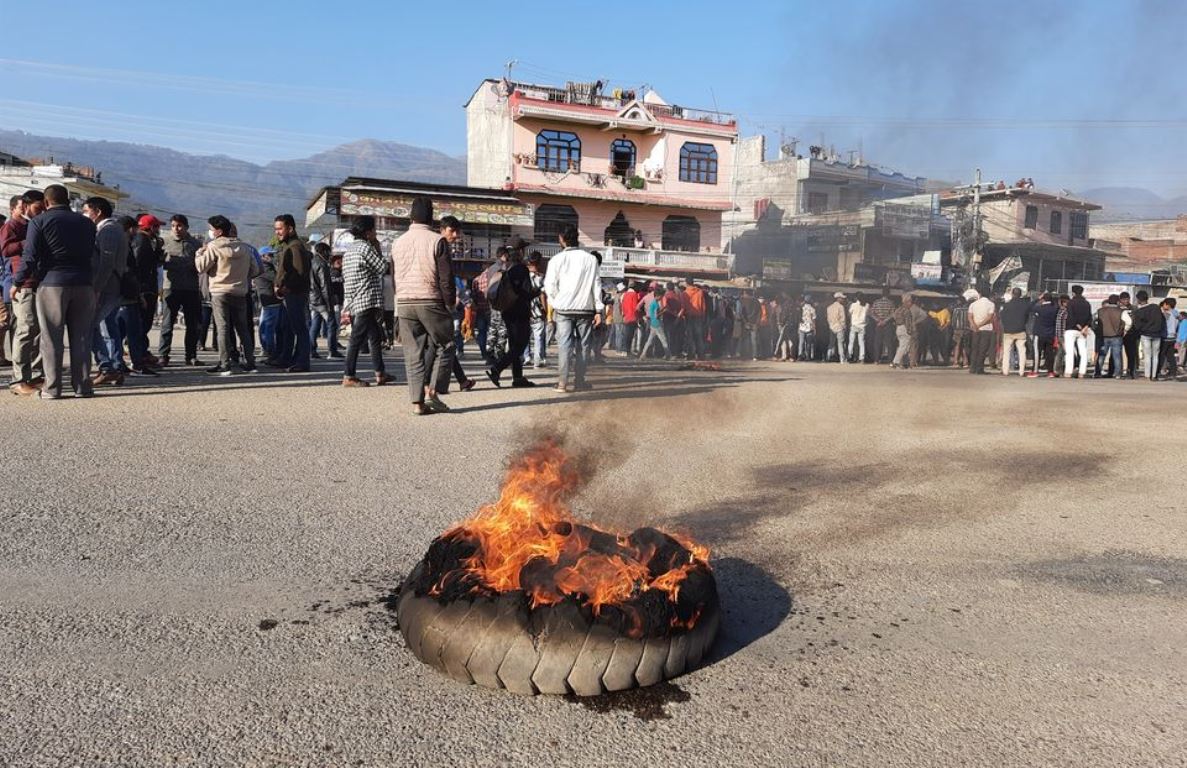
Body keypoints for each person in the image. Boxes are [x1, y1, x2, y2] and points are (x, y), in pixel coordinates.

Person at [13, 184, 97, 399]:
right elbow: (93, 254)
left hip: (53, 282)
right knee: (81, 338)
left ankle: (52, 388)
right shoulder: (87, 222)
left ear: (47, 202)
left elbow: (29, 256)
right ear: (68, 200)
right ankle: (83, 387)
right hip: (84, 283)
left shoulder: (40, 222)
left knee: (51, 338)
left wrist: (18, 281)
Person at [392, 197, 457, 414]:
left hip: (404, 301)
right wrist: (449, 304)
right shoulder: (437, 241)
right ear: (431, 217)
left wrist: (398, 302)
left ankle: (417, 403)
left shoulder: (397, 242)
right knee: (445, 344)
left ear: (410, 217)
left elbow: (393, 277)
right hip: (430, 299)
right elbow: (446, 278)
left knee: (413, 353)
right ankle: (433, 393)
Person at [194, 215, 260, 375]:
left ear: (218, 231)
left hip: (220, 292)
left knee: (223, 328)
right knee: (243, 328)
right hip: (240, 292)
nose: (209, 232)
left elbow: (201, 267)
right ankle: (250, 363)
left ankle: (224, 363)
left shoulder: (214, 246)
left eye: (210, 229)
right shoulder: (244, 247)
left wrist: (198, 254)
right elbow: (256, 270)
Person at [543, 225, 603, 392]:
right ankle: (579, 381)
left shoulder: (556, 260)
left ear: (561, 239)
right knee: (583, 346)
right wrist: (599, 310)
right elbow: (596, 285)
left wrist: (556, 302)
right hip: (585, 310)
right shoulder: (591, 259)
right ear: (577, 238)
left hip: (563, 310)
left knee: (564, 346)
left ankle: (562, 383)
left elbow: (549, 286)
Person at [2, 190, 47, 395]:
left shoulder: (34, 225)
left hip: (39, 282)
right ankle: (18, 379)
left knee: (37, 331)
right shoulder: (11, 226)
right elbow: (5, 250)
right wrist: (27, 242)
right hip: (23, 283)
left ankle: (34, 374)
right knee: (25, 329)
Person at [338, 216, 391, 388]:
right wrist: (377, 248)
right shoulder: (366, 248)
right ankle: (349, 375)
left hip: (356, 298)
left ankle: (380, 373)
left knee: (374, 336)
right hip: (365, 299)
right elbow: (382, 267)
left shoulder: (350, 250)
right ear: (368, 233)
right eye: (374, 230)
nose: (376, 233)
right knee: (356, 339)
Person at [82, 197, 128, 386]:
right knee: (95, 326)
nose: (84, 214)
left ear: (98, 211)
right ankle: (110, 367)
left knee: (88, 326)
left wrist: (96, 288)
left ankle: (107, 367)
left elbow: (106, 264)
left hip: (107, 287)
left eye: (86, 210)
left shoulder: (108, 230)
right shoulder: (110, 229)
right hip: (109, 287)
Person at [486, 245, 541, 388]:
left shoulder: (503, 267)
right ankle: (496, 369)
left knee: (514, 343)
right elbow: (525, 293)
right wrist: (538, 291)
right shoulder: (521, 269)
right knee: (520, 345)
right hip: (519, 312)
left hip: (506, 310)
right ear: (520, 252)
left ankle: (517, 378)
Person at [158, 214, 203, 366]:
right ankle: (163, 355)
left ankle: (191, 355)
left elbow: (201, 265)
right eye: (173, 226)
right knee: (167, 324)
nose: (176, 229)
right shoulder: (164, 242)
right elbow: (159, 261)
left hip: (191, 288)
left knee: (192, 324)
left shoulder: (196, 243)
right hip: (170, 288)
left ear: (186, 227)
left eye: (179, 226)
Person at [272, 214, 312, 372]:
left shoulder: (295, 246)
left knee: (299, 328)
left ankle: (302, 362)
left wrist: (285, 287)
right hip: (289, 293)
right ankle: (286, 358)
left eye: (280, 228)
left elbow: (299, 272)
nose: (277, 232)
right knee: (286, 327)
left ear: (290, 228)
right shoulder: (288, 245)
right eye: (275, 229)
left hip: (295, 293)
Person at [132, 214, 164, 364]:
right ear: (151, 227)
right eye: (157, 227)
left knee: (144, 324)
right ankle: (140, 355)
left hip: (148, 287)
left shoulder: (149, 242)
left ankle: (142, 352)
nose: (158, 230)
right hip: (144, 288)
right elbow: (138, 267)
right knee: (142, 324)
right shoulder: (141, 242)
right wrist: (140, 291)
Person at [309, 241, 342, 359]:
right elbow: (325, 287)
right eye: (328, 252)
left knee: (315, 325)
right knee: (332, 324)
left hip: (313, 299)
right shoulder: (322, 265)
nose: (329, 255)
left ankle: (311, 350)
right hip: (322, 300)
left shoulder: (312, 262)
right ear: (323, 252)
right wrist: (329, 304)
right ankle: (332, 351)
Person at [1060, 284, 1094, 379]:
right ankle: (1082, 372)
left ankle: (1068, 372)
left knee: (1070, 352)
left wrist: (1079, 327)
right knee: (1083, 352)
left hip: (1071, 329)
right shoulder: (1087, 303)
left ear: (1073, 292)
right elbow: (1089, 317)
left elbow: (1072, 317)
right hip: (1083, 331)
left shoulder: (1071, 303)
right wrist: (1085, 328)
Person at [1131, 290, 1163, 381]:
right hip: (1157, 334)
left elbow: (1137, 325)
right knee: (1156, 355)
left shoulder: (1139, 311)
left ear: (1138, 300)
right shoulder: (1156, 308)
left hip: (1145, 334)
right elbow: (1162, 320)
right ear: (1147, 298)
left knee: (1147, 355)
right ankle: (1154, 375)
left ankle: (1147, 375)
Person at [998, 287, 1031, 377]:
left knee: (1007, 351)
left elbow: (1002, 317)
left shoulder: (1006, 305)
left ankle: (1005, 370)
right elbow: (1027, 317)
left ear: (1012, 294)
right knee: (1022, 351)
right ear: (1020, 295)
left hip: (1008, 331)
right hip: (1020, 330)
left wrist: (1006, 326)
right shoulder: (1025, 305)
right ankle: (1021, 371)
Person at [1094, 295, 1125, 379]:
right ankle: (1117, 374)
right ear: (1118, 301)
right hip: (1117, 336)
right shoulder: (1121, 311)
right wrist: (1124, 330)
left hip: (1103, 336)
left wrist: (1097, 330)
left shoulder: (1100, 311)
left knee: (1101, 355)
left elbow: (1093, 320)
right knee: (1117, 356)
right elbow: (1129, 322)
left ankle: (1097, 372)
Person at [966, 289, 995, 375]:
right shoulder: (991, 304)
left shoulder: (973, 304)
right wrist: (980, 325)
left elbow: (969, 316)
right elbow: (989, 317)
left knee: (975, 348)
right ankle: (979, 368)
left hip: (975, 329)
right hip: (986, 329)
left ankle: (972, 368)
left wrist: (974, 325)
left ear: (980, 294)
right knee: (983, 349)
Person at [638, 283, 671, 360]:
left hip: (653, 323)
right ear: (658, 296)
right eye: (661, 296)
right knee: (663, 339)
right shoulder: (656, 304)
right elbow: (657, 315)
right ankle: (668, 355)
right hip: (657, 323)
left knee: (649, 340)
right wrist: (664, 311)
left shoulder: (653, 303)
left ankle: (643, 355)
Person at [1031, 293, 1059, 377]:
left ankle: (1035, 371)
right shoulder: (1055, 309)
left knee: (1037, 352)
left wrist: (1037, 299)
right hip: (1050, 333)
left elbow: (1029, 307)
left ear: (1043, 299)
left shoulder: (1039, 308)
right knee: (1049, 353)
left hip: (1039, 333)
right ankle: (1050, 371)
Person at [682, 278, 708, 359]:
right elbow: (703, 305)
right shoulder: (700, 292)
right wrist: (703, 315)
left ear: (686, 283)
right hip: (698, 316)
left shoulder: (684, 293)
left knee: (690, 336)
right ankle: (701, 355)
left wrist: (682, 315)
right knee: (699, 336)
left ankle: (691, 354)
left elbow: (683, 306)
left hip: (688, 316)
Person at [870, 287, 895, 364]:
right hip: (887, 325)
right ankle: (891, 360)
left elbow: (871, 313)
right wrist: (885, 321)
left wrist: (878, 320)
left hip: (878, 325)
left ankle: (876, 360)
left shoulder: (876, 302)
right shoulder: (891, 303)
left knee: (877, 342)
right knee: (889, 343)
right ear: (888, 294)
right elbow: (892, 314)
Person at [891, 294, 916, 369]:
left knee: (904, 346)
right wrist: (910, 331)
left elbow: (894, 317)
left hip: (898, 328)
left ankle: (905, 363)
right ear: (906, 302)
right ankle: (895, 362)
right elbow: (908, 322)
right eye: (910, 301)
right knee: (903, 347)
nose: (911, 303)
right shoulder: (907, 311)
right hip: (904, 328)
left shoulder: (898, 309)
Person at [1119, 291, 1140, 379]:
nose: (1126, 301)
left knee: (1132, 353)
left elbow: (1137, 320)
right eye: (1124, 299)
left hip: (1132, 334)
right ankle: (1116, 371)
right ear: (1120, 300)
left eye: (1127, 299)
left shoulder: (1134, 308)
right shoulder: (1118, 308)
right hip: (1119, 333)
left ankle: (1132, 371)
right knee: (1116, 354)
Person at [1159, 298, 1179, 381]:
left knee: (1161, 355)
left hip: (1165, 337)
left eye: (1164, 304)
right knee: (1171, 356)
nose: (1163, 306)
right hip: (1173, 337)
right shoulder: (1176, 314)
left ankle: (1158, 371)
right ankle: (1173, 373)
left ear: (1168, 305)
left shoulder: (1166, 314)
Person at [827, 292, 848, 363]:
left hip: (831, 327)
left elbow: (828, 318)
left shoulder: (829, 307)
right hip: (839, 327)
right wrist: (844, 327)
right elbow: (843, 318)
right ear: (838, 298)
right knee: (840, 343)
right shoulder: (841, 307)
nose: (843, 299)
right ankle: (842, 359)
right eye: (842, 298)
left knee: (831, 343)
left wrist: (830, 325)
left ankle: (828, 357)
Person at [797, 295, 816, 361]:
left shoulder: (801, 308)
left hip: (801, 327)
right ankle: (808, 356)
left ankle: (800, 355)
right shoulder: (812, 309)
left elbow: (798, 318)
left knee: (801, 342)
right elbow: (813, 319)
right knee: (808, 343)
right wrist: (814, 328)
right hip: (809, 327)